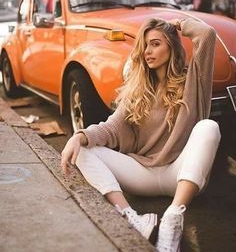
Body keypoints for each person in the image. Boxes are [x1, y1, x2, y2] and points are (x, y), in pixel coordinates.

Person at [61, 17, 221, 251]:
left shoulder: (193, 81)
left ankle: (173, 218)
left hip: (180, 175)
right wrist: (79, 137)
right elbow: (111, 127)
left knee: (208, 127)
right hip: (142, 175)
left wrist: (179, 24)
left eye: (155, 43)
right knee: (83, 150)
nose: (148, 51)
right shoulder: (138, 90)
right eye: (145, 45)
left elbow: (207, 35)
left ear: (171, 46)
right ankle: (132, 217)